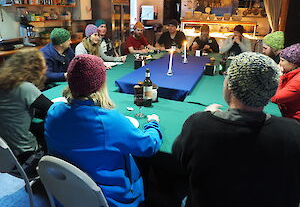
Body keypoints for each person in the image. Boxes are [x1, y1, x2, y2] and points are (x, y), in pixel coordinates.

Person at [173, 52, 300, 207]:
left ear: (229, 86)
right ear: (271, 90)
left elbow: (179, 158)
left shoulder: (198, 125)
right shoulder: (293, 132)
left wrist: (205, 117)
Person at [45, 54, 162, 207]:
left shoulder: (54, 111)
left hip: (65, 195)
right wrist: (153, 124)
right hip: (107, 200)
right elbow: (148, 146)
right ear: (100, 83)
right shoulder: (109, 121)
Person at [0, 49, 52, 176]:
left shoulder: (3, 83)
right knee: (54, 130)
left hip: (6, 154)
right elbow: (53, 109)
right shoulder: (25, 88)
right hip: (26, 157)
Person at [272, 43, 300, 121]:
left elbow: (276, 98)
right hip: (287, 114)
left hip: (295, 120)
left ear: (294, 63)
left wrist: (279, 76)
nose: (279, 63)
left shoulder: (298, 80)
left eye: (282, 60)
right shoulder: (292, 74)